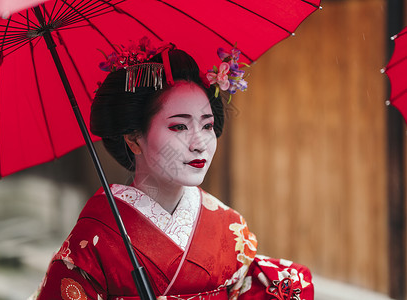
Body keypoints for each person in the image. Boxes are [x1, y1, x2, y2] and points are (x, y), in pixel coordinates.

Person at [33, 40, 314, 300]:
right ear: (134, 139)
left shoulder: (229, 226)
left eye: (207, 125)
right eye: (179, 126)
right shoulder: (93, 241)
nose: (199, 143)